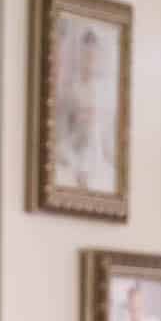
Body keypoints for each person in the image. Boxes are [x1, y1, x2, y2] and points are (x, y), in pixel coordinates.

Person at [55, 21, 116, 194]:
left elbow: (108, 141)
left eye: (94, 53)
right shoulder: (71, 90)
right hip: (75, 151)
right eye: (86, 53)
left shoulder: (107, 92)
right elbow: (64, 136)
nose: (90, 58)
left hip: (99, 156)